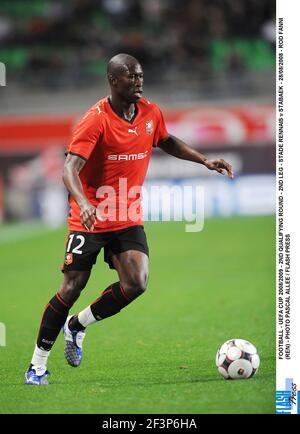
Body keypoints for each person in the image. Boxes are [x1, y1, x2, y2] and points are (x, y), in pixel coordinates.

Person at [25, 53, 233, 385]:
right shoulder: (95, 120)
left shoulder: (150, 112)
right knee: (71, 287)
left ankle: (77, 325)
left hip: (126, 213)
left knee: (136, 283)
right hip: (89, 216)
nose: (138, 82)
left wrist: (204, 160)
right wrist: (83, 202)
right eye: (131, 77)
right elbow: (69, 169)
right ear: (113, 80)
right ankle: (37, 364)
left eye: (140, 76)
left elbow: (166, 141)